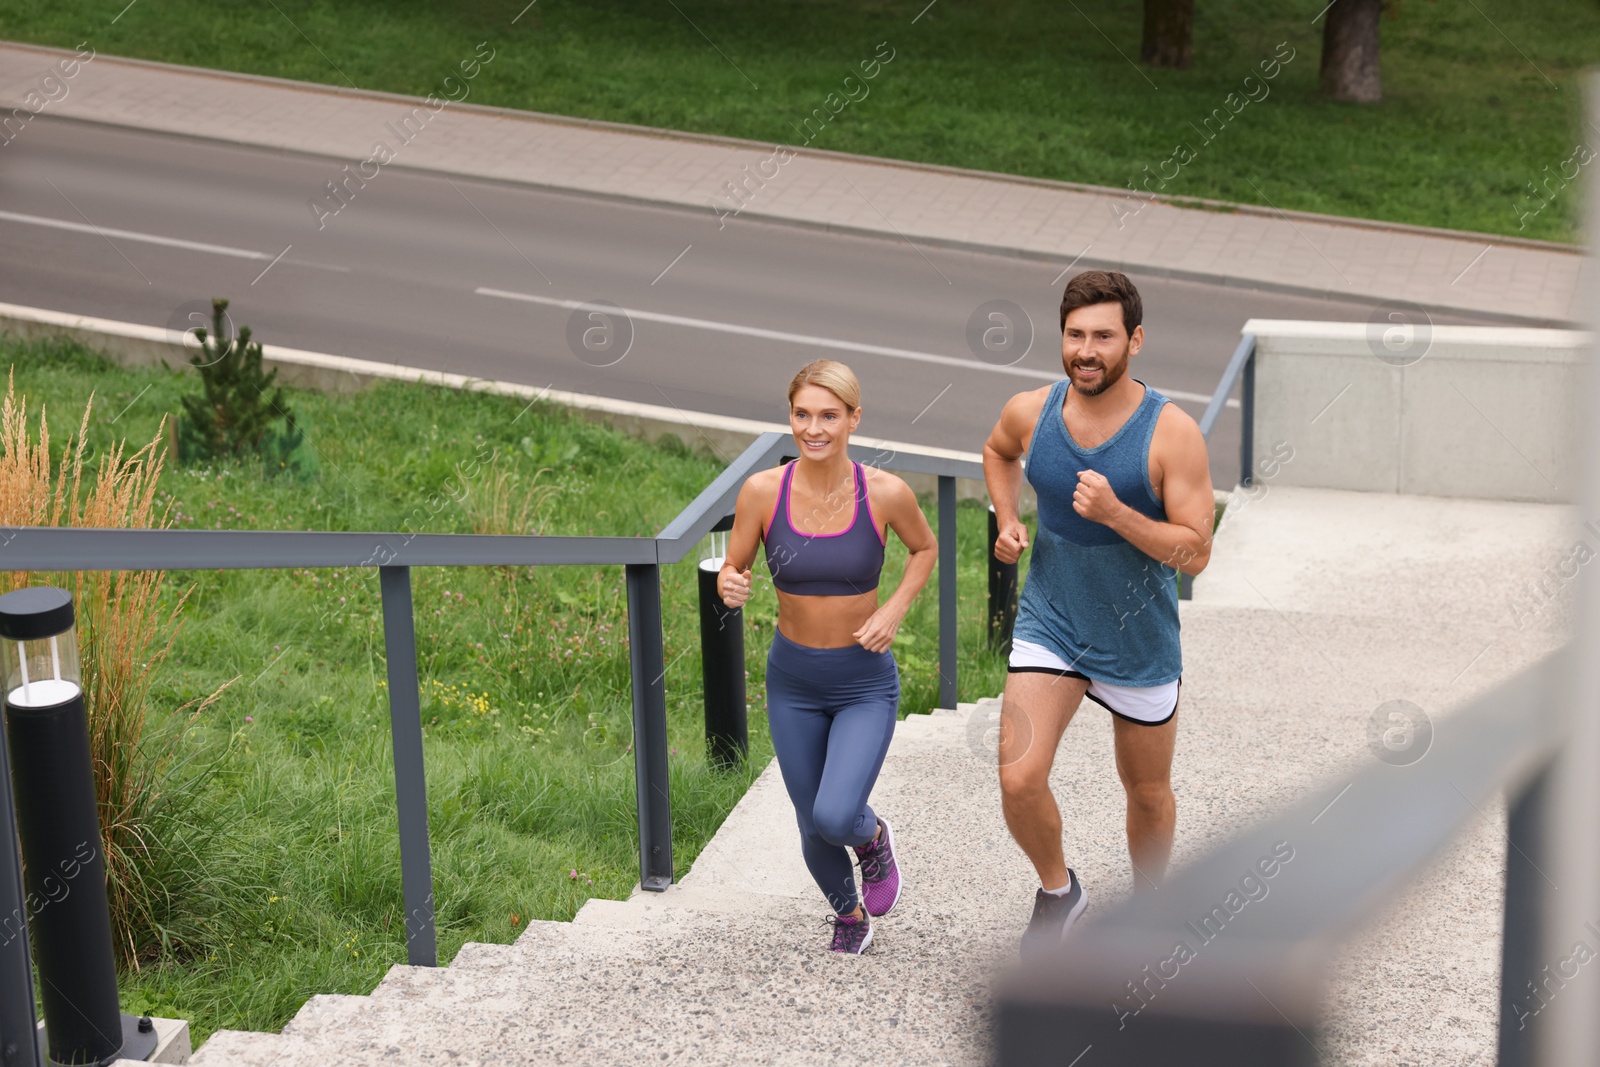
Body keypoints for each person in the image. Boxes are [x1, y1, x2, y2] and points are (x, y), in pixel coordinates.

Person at [982, 270, 1213, 955]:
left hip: (1137, 636)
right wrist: (1007, 517)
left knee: (1146, 792)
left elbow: (1196, 551)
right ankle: (1061, 893)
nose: (1087, 350)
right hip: (1052, 621)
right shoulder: (1033, 410)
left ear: (1134, 340)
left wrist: (1117, 513)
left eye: (1103, 336)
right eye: (1075, 335)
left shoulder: (1171, 434)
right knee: (1018, 774)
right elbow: (997, 451)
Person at [719, 359, 938, 954]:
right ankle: (849, 915)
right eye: (802, 415)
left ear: (853, 419)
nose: (813, 429)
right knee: (808, 818)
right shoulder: (763, 491)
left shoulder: (885, 493)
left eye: (829, 416)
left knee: (837, 814)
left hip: (862, 682)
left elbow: (925, 549)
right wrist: (730, 583)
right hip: (792, 682)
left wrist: (892, 611)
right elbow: (733, 565)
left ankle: (872, 839)